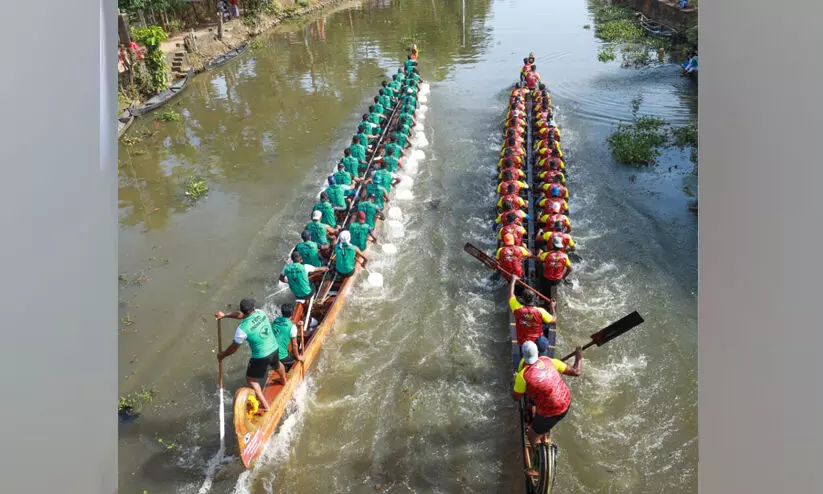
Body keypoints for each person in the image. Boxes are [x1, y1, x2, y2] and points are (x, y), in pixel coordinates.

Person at [215, 298, 287, 413]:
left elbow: (233, 348)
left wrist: (222, 355)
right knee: (277, 364)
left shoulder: (242, 330)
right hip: (274, 347)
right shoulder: (260, 312)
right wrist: (224, 315)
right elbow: (240, 315)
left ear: (243, 311)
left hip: (261, 356)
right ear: (253, 308)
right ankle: (284, 381)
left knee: (251, 379)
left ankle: (265, 406)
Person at [512, 340, 583, 453]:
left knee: (531, 435)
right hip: (566, 402)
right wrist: (578, 356)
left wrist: (516, 382)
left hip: (551, 412)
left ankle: (537, 461)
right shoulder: (549, 360)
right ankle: (543, 431)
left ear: (524, 356)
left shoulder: (522, 376)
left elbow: (516, 397)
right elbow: (576, 372)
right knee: (542, 404)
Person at [508, 275, 554, 346]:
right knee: (545, 328)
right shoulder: (540, 311)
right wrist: (552, 307)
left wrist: (513, 280)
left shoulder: (517, 309)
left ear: (522, 299)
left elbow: (511, 295)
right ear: (534, 299)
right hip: (537, 341)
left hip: (522, 341)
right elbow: (554, 320)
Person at [270, 303, 304, 371]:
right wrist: (298, 357)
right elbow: (294, 345)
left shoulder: (276, 320)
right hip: (280, 355)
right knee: (295, 361)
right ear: (293, 313)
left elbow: (284, 326)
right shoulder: (292, 327)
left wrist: (296, 325)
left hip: (269, 351)